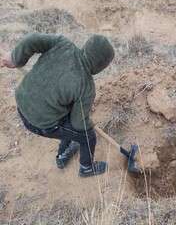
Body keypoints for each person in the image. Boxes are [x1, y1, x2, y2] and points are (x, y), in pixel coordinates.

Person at [0, 33, 115, 177]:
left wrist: (15, 59)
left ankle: (62, 156)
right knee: (87, 135)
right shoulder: (87, 87)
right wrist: (88, 122)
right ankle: (86, 168)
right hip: (40, 124)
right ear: (101, 66)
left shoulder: (62, 44)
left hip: (22, 102)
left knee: (66, 115)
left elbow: (33, 40)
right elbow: (79, 123)